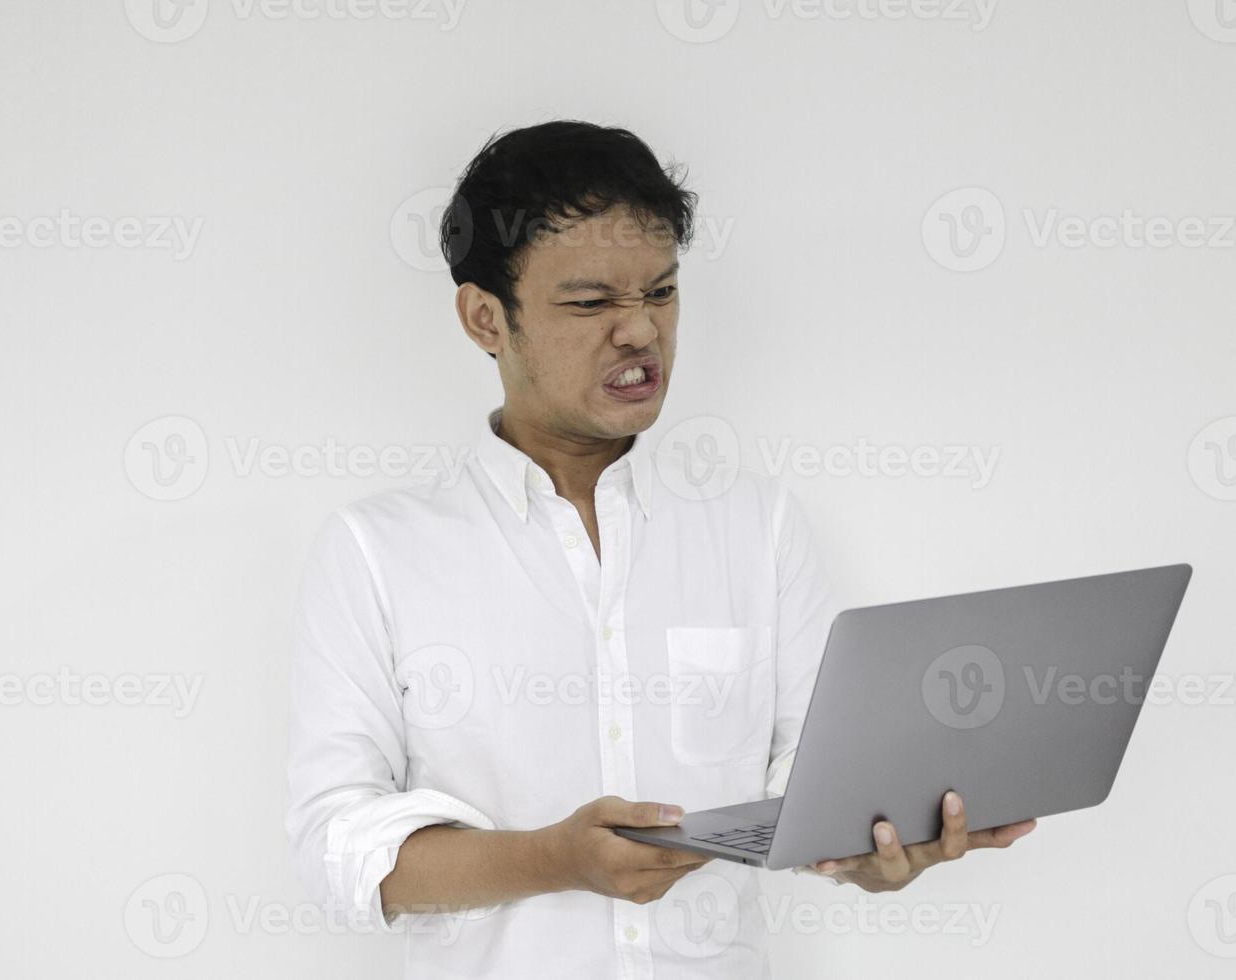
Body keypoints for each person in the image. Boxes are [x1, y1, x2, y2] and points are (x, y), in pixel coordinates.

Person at [284, 120, 1034, 978]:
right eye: (592, 302)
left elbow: (813, 779)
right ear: (485, 317)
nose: (640, 332)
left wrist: (876, 852)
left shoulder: (757, 527)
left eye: (663, 292)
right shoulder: (377, 551)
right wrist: (552, 859)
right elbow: (335, 840)